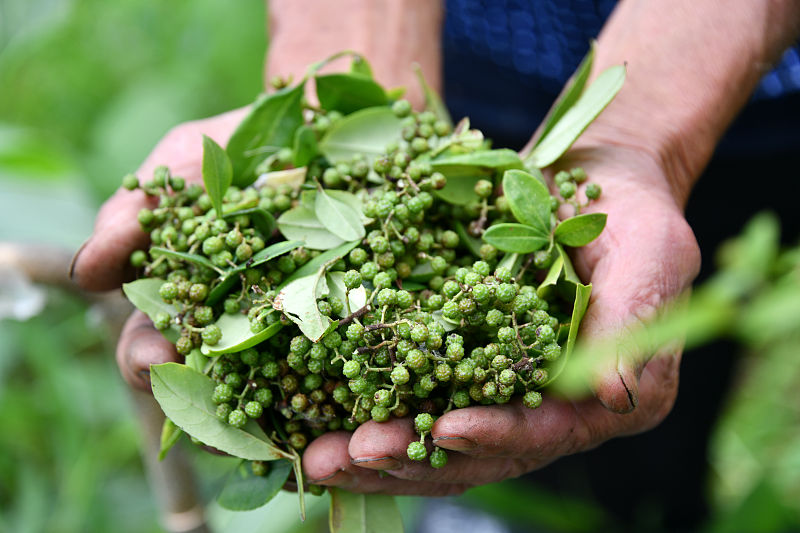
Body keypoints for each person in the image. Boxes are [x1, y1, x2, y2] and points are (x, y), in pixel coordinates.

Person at [71, 0, 800, 526]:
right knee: (503, 424)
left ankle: (640, 502)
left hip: (749, 87)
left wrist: (645, 135)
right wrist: (337, 61)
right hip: (477, 44)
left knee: (643, 372)